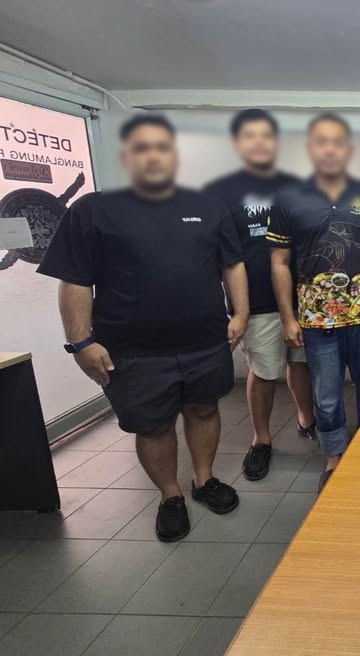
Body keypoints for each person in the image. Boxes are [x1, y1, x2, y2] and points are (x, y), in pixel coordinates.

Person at [38, 114, 247, 542]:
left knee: (204, 410)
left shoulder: (209, 207)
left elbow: (232, 264)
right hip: (132, 352)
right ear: (126, 157)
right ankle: (170, 495)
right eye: (142, 148)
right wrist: (80, 342)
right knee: (153, 427)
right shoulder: (92, 210)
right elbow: (75, 280)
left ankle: (204, 479)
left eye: (161, 147)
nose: (153, 156)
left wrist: (240, 313)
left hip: (206, 342)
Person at [267, 113, 360, 484]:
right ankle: (334, 457)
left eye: (337, 142)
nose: (329, 149)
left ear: (349, 149)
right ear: (310, 148)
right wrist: (288, 317)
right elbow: (279, 262)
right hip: (316, 319)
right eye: (321, 141)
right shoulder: (288, 198)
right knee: (326, 396)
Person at [204, 109, 313, 482]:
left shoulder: (298, 186)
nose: (259, 142)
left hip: (305, 299)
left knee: (301, 364)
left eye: (267, 135)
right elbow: (217, 256)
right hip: (256, 302)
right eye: (250, 135)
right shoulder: (219, 193)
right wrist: (236, 310)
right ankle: (261, 439)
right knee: (264, 372)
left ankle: (306, 419)